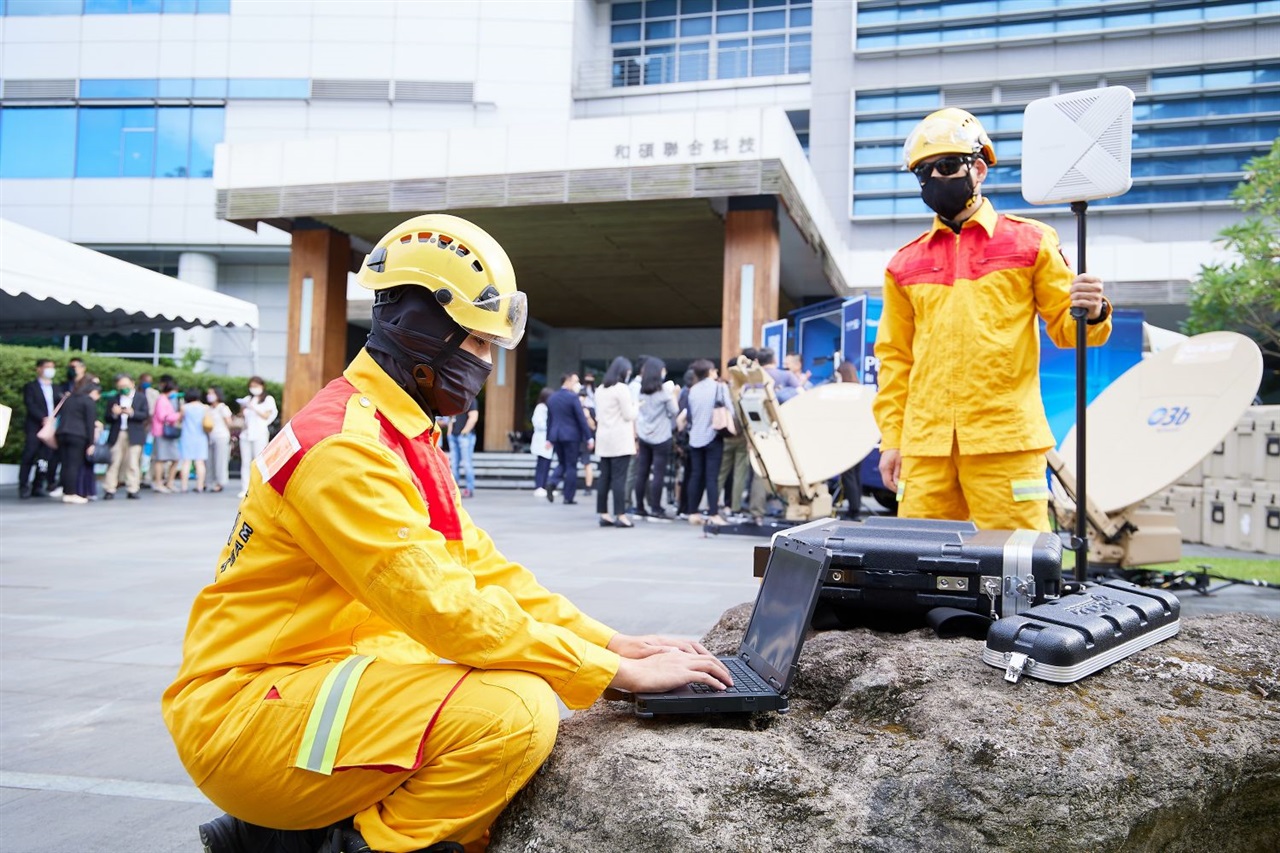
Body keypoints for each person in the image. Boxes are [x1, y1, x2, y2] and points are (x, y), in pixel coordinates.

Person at [164, 214, 732, 853]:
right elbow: (446, 608)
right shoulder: (345, 450)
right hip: (250, 716)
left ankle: (281, 837)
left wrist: (615, 644)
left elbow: (481, 572)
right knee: (512, 713)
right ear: (422, 332)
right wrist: (608, 674)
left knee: (503, 672)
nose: (487, 363)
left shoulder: (397, 430)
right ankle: (339, 843)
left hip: (305, 681)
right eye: (480, 343)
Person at [874, 108, 1112, 531]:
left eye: (947, 166)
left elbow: (1069, 331)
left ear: (978, 169)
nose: (935, 180)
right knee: (919, 570)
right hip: (925, 449)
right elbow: (895, 360)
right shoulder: (903, 264)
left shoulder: (1032, 242)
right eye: (923, 172)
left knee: (1016, 571)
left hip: (1005, 443)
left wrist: (1091, 312)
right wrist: (892, 439)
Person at [679, 359, 728, 526]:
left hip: (695, 438)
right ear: (709, 372)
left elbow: (690, 415)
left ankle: (693, 512)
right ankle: (713, 513)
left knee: (695, 475)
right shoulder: (719, 387)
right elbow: (730, 408)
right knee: (711, 477)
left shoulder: (692, 390)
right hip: (713, 435)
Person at [593, 356, 638, 528]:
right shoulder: (621, 389)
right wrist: (637, 406)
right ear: (623, 372)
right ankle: (621, 515)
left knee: (605, 477)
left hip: (603, 438)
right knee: (619, 478)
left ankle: (604, 514)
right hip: (620, 439)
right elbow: (629, 415)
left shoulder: (600, 389)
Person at [634, 356, 678, 521]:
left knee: (642, 472)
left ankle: (639, 507)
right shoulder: (664, 391)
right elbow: (674, 411)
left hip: (644, 434)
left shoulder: (640, 390)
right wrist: (674, 395)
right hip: (661, 436)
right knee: (658, 473)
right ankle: (656, 508)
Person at [544, 372, 594, 505]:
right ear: (568, 381)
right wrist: (589, 437)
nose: (577, 384)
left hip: (556, 436)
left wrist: (549, 438)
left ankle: (552, 482)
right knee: (571, 466)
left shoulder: (552, 398)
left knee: (562, 463)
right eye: (575, 381)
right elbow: (581, 419)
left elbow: (549, 420)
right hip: (571, 436)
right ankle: (568, 497)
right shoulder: (573, 398)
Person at [103, 372, 150, 501]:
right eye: (121, 385)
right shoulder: (114, 399)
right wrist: (114, 414)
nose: (123, 387)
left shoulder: (141, 397)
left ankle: (133, 488)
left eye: (126, 384)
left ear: (132, 383)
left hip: (134, 433)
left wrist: (132, 413)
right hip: (118, 432)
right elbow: (107, 417)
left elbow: (145, 415)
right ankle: (109, 488)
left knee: (133, 462)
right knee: (113, 461)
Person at [54, 375, 99, 505]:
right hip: (78, 435)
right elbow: (90, 424)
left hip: (62, 433)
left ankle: (66, 490)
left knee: (66, 464)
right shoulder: (88, 401)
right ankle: (71, 493)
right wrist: (91, 443)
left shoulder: (69, 398)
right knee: (74, 465)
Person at [18, 358, 59, 499]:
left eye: (52, 367)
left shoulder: (57, 388)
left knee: (45, 458)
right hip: (35, 426)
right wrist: (42, 418)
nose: (50, 370)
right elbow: (30, 405)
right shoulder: (31, 387)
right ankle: (23, 485)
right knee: (29, 455)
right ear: (39, 369)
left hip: (51, 428)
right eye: (47, 367)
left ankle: (38, 485)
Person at [236, 377, 278, 498]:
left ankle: (259, 488)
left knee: (259, 461)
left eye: (256, 386)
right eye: (251, 386)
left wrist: (253, 407)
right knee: (245, 462)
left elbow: (266, 416)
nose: (253, 388)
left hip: (259, 434)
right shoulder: (248, 399)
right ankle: (245, 488)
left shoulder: (268, 400)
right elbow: (243, 416)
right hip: (246, 434)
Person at [150, 376, 182, 493]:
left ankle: (169, 482)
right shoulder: (161, 400)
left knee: (175, 458)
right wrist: (178, 415)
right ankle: (159, 482)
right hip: (161, 432)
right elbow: (163, 417)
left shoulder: (167, 400)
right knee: (161, 459)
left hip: (168, 433)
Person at [178, 389, 210, 493]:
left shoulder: (184, 407)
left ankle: (184, 486)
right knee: (200, 462)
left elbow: (179, 420)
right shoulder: (205, 407)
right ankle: (200, 486)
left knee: (186, 462)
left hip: (187, 436)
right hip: (201, 437)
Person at [205, 387, 235, 493]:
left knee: (220, 461)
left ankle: (220, 482)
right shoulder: (209, 408)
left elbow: (229, 423)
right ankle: (209, 482)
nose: (209, 395)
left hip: (222, 436)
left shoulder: (223, 408)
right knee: (210, 461)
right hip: (210, 437)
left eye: (211, 393)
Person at [448, 398, 479, 498]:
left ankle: (469, 489)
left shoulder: (471, 400)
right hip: (454, 436)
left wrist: (464, 432)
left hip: (465, 436)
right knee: (454, 464)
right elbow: (452, 417)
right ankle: (454, 490)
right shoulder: (456, 399)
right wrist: (449, 432)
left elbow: (473, 417)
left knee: (466, 464)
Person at [529, 387, 554, 498]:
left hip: (547, 439)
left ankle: (543, 486)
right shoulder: (541, 407)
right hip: (541, 438)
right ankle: (539, 486)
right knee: (542, 464)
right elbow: (538, 423)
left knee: (546, 464)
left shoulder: (548, 408)